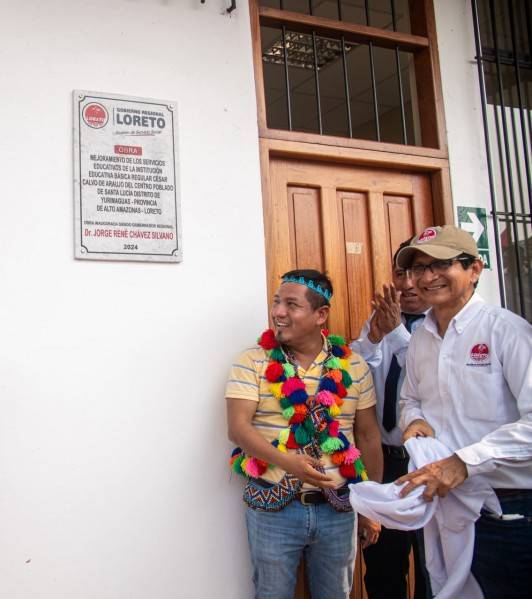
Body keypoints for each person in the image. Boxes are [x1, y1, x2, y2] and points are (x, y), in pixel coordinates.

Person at [226, 269, 383, 599]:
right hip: (273, 510)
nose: (278, 312)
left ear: (320, 314)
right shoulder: (252, 361)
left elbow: (368, 436)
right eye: (276, 302)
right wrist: (287, 462)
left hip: (339, 510)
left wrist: (373, 506)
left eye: (291, 304)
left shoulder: (353, 366)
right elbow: (238, 428)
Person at [395, 225, 532, 599]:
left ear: (475, 269)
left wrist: (465, 462)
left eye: (442, 264)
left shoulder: (506, 331)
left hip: (507, 511)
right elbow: (410, 400)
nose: (427, 276)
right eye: (419, 267)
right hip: (444, 506)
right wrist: (414, 420)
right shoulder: (420, 338)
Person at [351, 240, 431, 599]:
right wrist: (374, 336)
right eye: (401, 273)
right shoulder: (384, 318)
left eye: (418, 273)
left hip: (429, 463)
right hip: (385, 462)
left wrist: (395, 333)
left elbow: (425, 373)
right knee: (383, 571)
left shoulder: (444, 326)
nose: (408, 283)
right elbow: (353, 368)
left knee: (434, 569)